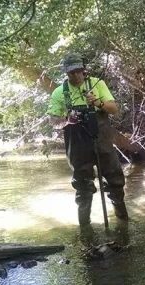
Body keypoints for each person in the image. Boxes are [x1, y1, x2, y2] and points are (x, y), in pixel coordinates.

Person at [47, 52, 128, 226]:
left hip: (103, 141)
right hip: (77, 146)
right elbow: (53, 121)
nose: (77, 76)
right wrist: (67, 119)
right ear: (66, 73)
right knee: (83, 186)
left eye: (79, 71)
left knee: (115, 180)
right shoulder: (59, 93)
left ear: (84, 70)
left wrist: (97, 102)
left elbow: (113, 109)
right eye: (72, 72)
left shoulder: (98, 84)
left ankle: (122, 221)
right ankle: (85, 228)